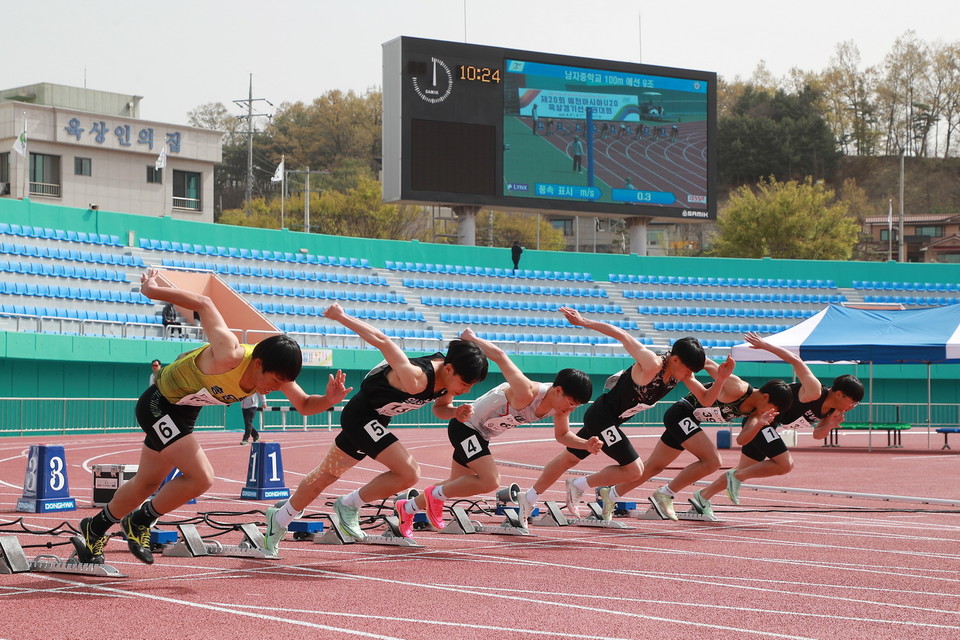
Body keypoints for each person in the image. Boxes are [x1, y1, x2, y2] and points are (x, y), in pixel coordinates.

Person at [71, 268, 350, 565]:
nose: (275, 389)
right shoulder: (229, 352)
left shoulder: (275, 375)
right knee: (202, 477)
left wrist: (329, 401)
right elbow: (205, 302)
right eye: (274, 381)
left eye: (282, 384)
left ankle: (94, 528)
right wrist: (153, 291)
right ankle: (140, 521)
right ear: (257, 364)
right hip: (158, 404)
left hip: (184, 411)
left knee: (147, 483)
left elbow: (306, 404)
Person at [263, 303, 488, 554]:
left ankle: (279, 518)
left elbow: (439, 409)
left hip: (376, 421)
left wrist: (454, 412)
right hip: (361, 416)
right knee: (409, 471)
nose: (466, 391)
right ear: (448, 369)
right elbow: (382, 340)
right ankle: (348, 505)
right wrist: (341, 316)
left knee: (326, 475)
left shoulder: (448, 383)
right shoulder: (416, 377)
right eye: (466, 384)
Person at [520, 308, 733, 522]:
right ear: (676, 360)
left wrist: (721, 379)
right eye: (689, 370)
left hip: (613, 422)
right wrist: (584, 322)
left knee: (568, 459)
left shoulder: (678, 376)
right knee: (635, 470)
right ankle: (578, 485)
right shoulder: (652, 363)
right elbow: (622, 335)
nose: (691, 375)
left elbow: (705, 399)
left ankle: (528, 499)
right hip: (601, 416)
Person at [396, 328, 600, 537]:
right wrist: (473, 339)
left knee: (455, 484)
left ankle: (407, 508)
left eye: (577, 406)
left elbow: (562, 436)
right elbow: (501, 357)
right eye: (571, 403)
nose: (571, 409)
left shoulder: (559, 408)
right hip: (465, 427)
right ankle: (434, 495)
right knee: (490, 481)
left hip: (481, 437)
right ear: (558, 390)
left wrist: (585, 444)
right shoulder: (526, 391)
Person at [689, 333, 864, 516]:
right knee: (784, 464)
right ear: (840, 394)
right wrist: (765, 346)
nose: (853, 406)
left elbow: (817, 435)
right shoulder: (814, 390)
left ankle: (702, 497)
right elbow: (795, 360)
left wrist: (829, 425)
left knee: (743, 470)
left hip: (770, 423)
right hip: (761, 418)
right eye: (853, 401)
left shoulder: (832, 412)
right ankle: (735, 478)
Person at [611, 359, 794, 521]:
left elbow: (741, 440)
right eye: (771, 408)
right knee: (712, 461)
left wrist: (759, 424)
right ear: (765, 397)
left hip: (688, 420)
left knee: (653, 466)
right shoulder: (737, 388)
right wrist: (677, 370)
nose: (768, 413)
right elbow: (705, 363)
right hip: (681, 414)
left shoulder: (756, 413)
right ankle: (665, 494)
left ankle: (609, 495)